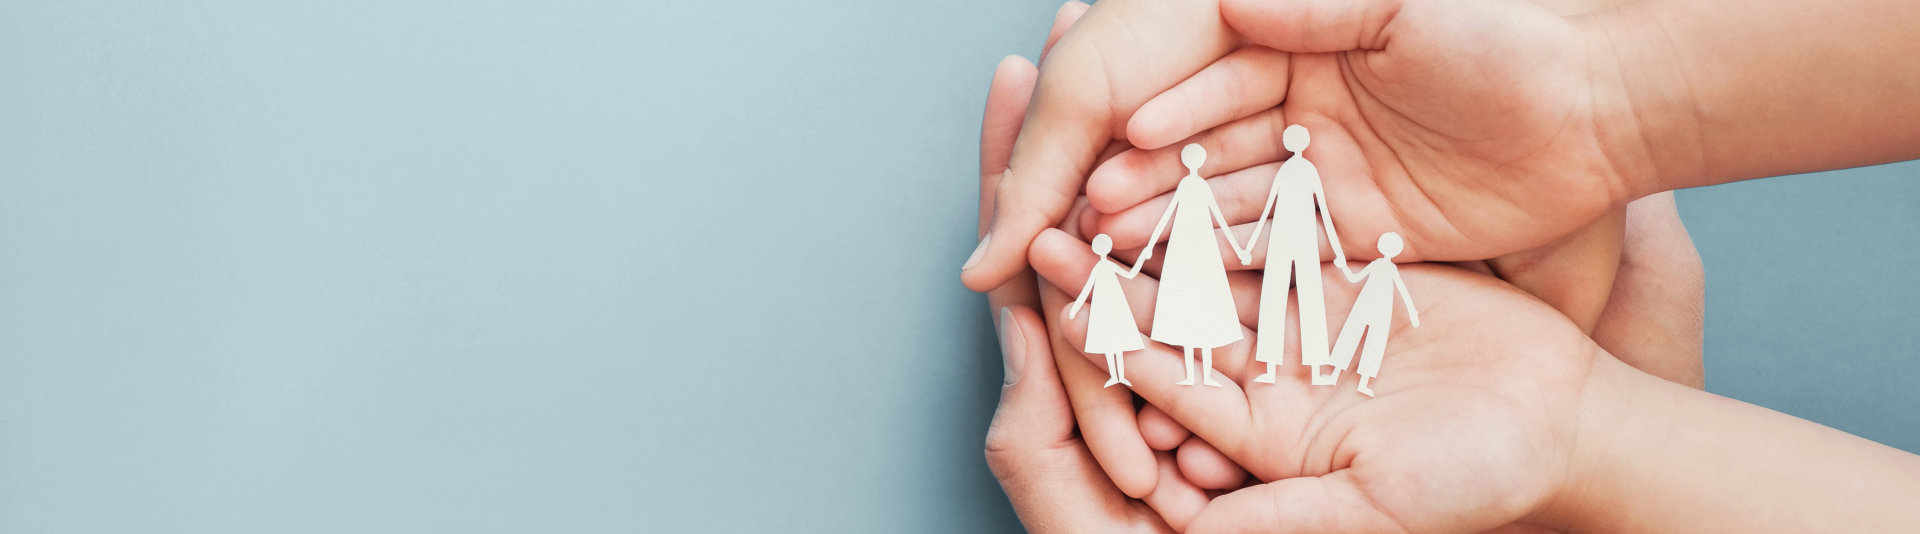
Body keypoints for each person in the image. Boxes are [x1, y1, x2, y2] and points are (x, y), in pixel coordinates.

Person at [1135, 144, 1253, 387]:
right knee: (1188, 306)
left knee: (1205, 307)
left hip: (1200, 246)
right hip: (1185, 246)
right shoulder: (1190, 185)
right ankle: (1192, 374)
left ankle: (1203, 374)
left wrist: (1238, 247)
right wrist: (1150, 244)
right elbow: (1170, 213)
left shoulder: (1198, 186)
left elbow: (1217, 216)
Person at [1240, 125, 1348, 385]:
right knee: (1289, 297)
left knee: (1290, 297)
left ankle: (1298, 368)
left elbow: (1319, 205)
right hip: (1288, 237)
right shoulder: (1291, 170)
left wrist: (1338, 250)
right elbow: (1269, 208)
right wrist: (1250, 244)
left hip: (1298, 237)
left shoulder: (1300, 170)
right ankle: (1282, 368)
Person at [1325, 232, 1419, 396]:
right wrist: (1343, 267)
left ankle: (1362, 383)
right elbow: (1355, 278)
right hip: (1366, 304)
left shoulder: (1391, 268)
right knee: (1351, 336)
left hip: (1381, 309)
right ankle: (1335, 376)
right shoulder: (1377, 264)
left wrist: (1412, 312)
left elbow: (1402, 290)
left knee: (1373, 343)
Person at [1068, 234, 1145, 387]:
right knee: (1108, 342)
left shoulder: (1109, 265)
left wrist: (1142, 258)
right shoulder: (1100, 267)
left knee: (1117, 341)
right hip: (1103, 305)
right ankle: (1115, 376)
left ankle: (1120, 376)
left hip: (1115, 303)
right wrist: (1076, 307)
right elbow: (1088, 287)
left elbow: (1130, 275)